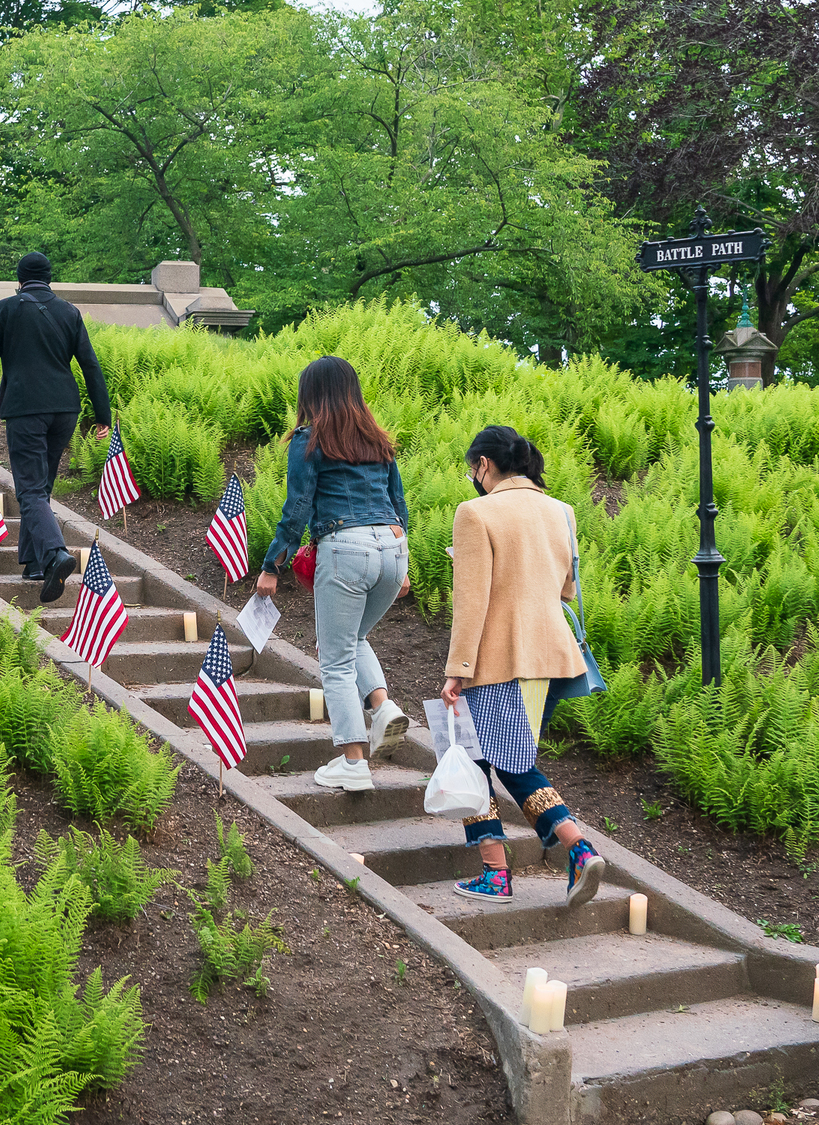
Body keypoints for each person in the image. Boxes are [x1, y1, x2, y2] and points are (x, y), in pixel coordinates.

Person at [438, 426, 607, 907]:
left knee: (476, 757)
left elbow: (473, 602)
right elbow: (567, 590)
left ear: (484, 466)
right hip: (551, 657)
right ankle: (565, 853)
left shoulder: (474, 513)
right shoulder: (562, 511)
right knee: (508, 759)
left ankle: (544, 858)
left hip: (498, 657)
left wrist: (458, 668)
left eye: (473, 469)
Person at [254, 356, 412, 792]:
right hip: (392, 548)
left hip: (346, 548)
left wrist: (272, 565)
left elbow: (298, 508)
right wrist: (404, 566)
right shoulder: (378, 441)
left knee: (336, 658)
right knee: (352, 640)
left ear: (311, 395)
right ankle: (381, 708)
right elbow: (399, 504)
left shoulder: (310, 440)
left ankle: (354, 761)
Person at [0, 254, 109, 601]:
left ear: (20, 279)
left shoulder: (8, 309)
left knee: (29, 489)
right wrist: (103, 414)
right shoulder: (69, 312)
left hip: (26, 409)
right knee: (41, 486)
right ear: (49, 278)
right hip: (65, 410)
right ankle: (35, 564)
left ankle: (55, 553)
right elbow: (90, 365)